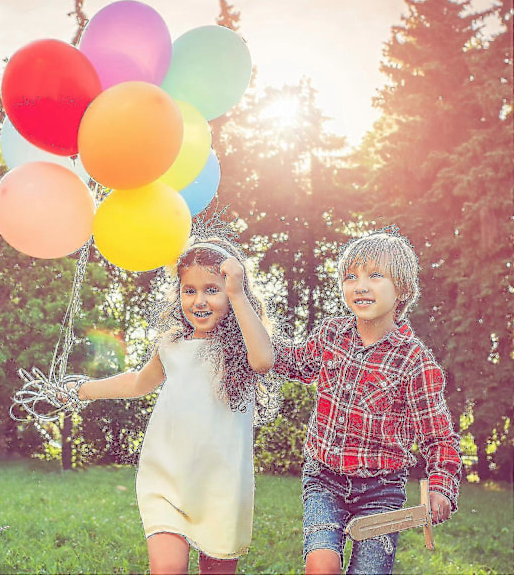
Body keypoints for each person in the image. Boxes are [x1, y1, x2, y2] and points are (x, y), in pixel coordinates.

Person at [64, 236, 276, 575]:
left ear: (234, 292)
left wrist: (237, 292)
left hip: (221, 485)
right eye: (189, 290)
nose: (200, 300)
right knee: (167, 567)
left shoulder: (241, 349)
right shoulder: (172, 346)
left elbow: (264, 360)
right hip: (166, 478)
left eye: (213, 289)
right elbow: (137, 383)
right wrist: (83, 390)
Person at [273, 227, 462, 575]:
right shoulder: (331, 336)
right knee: (321, 564)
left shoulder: (414, 363)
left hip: (381, 490)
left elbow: (438, 438)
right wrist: (245, 325)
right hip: (324, 479)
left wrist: (441, 489)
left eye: (375, 276)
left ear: (402, 288)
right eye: (350, 277)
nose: (360, 285)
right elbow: (292, 361)